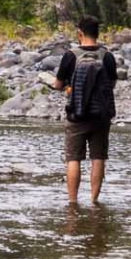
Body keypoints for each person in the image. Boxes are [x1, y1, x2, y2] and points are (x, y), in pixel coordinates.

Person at [47, 15, 119, 206]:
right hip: (100, 115)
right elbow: (111, 84)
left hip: (76, 114)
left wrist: (69, 88)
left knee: (73, 159)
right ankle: (94, 201)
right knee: (98, 157)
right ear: (98, 33)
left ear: (79, 33)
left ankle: (73, 202)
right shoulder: (107, 56)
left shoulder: (71, 55)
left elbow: (58, 84)